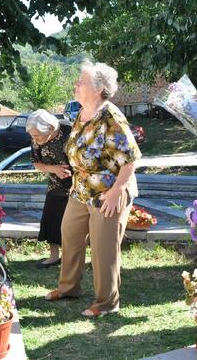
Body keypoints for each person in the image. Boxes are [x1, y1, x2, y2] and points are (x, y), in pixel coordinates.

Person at [44, 61, 141, 317]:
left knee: (103, 248)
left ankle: (106, 302)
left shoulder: (111, 116)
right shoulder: (82, 112)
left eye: (81, 82)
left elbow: (130, 159)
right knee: (70, 234)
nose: (76, 84)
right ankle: (68, 288)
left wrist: (116, 192)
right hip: (80, 189)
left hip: (107, 193)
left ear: (99, 89)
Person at [27, 110, 72, 268]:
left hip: (78, 185)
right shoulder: (37, 139)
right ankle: (54, 256)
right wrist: (54, 169)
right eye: (32, 135)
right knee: (52, 218)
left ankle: (72, 257)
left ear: (51, 129)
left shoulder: (70, 131)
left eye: (37, 135)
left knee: (73, 223)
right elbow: (36, 162)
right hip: (55, 184)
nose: (34, 138)